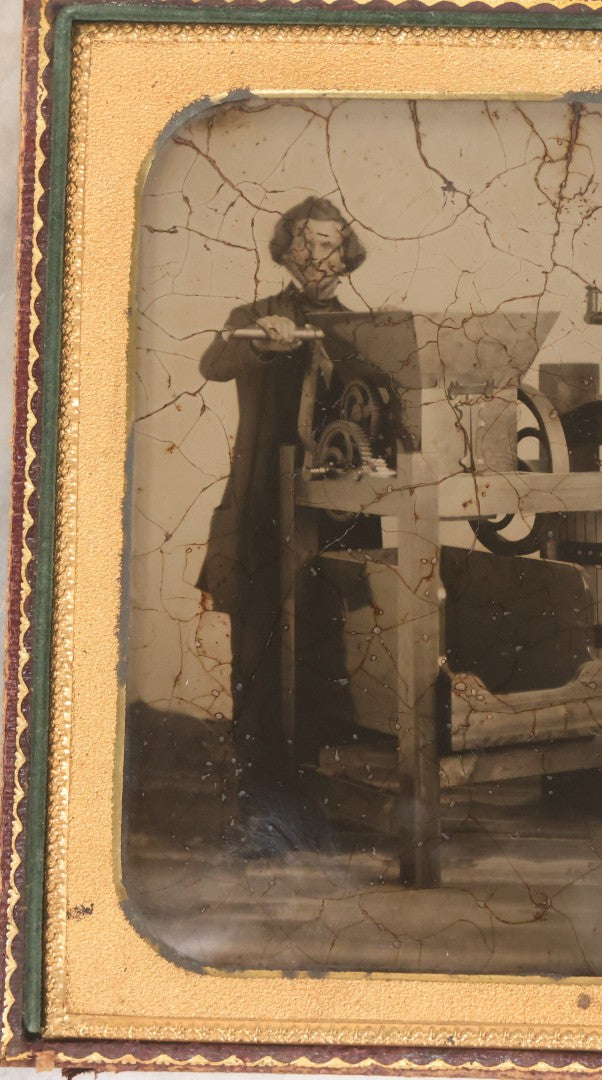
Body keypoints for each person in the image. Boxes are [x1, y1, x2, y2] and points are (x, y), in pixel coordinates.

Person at [197, 197, 367, 847]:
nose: (319, 256)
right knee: (258, 652)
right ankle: (261, 809)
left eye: (331, 244)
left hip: (337, 515)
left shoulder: (360, 329)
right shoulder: (253, 318)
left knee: (331, 651)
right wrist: (266, 347)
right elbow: (213, 365)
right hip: (263, 507)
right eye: (307, 243)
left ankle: (324, 805)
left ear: (346, 256)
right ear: (287, 250)